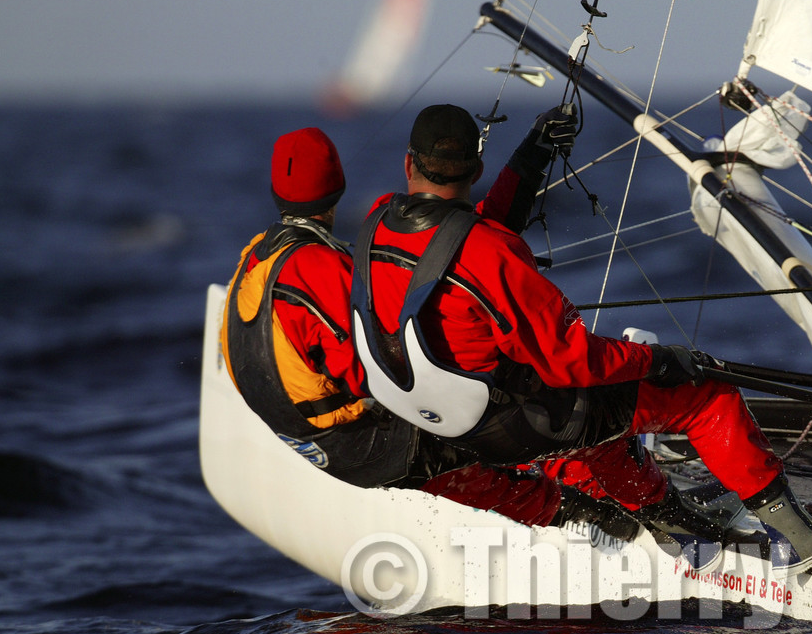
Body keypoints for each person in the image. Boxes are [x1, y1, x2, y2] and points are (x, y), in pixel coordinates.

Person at [352, 103, 812, 571]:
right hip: (513, 427)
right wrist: (660, 360)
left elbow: (462, 237)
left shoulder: (376, 223)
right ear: (476, 169)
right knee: (707, 394)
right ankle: (806, 543)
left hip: (441, 426)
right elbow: (570, 361)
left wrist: (531, 157)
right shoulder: (491, 253)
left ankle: (672, 526)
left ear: (408, 164)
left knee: (603, 416)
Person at [222, 127, 638, 539]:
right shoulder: (319, 268)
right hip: (369, 447)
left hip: (310, 445)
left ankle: (574, 511)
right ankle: (614, 520)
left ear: (277, 191)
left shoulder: (256, 257)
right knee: (525, 417)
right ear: (338, 186)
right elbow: (368, 366)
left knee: (491, 450)